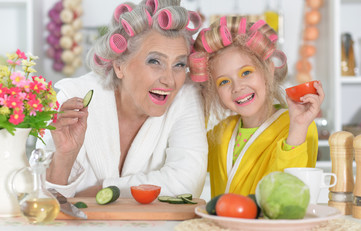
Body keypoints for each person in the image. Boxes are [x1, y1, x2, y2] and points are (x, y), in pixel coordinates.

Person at [37, 0, 208, 198]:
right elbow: (42, 199)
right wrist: (64, 157)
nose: (170, 80)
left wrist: (104, 190)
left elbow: (187, 182)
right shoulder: (74, 97)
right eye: (155, 61)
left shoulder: (185, 95)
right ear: (119, 65)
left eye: (179, 64)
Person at [189, 16, 324, 197]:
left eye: (246, 72)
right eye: (223, 82)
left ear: (268, 69)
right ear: (214, 91)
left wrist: (298, 128)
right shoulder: (220, 132)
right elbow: (187, 159)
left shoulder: (297, 125)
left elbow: (288, 193)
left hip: (271, 225)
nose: (237, 87)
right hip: (223, 225)